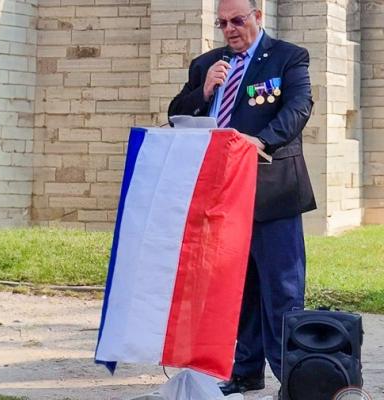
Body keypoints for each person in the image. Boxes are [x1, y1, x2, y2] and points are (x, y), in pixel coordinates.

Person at [168, 0, 316, 397]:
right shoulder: (207, 64)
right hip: (221, 196)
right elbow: (175, 113)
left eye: (237, 20)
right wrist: (204, 90)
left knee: (282, 289)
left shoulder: (287, 57)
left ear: (258, 16)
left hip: (272, 192)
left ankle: (294, 378)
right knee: (239, 289)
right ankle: (246, 370)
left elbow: (299, 107)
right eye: (222, 23)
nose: (230, 29)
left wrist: (260, 141)